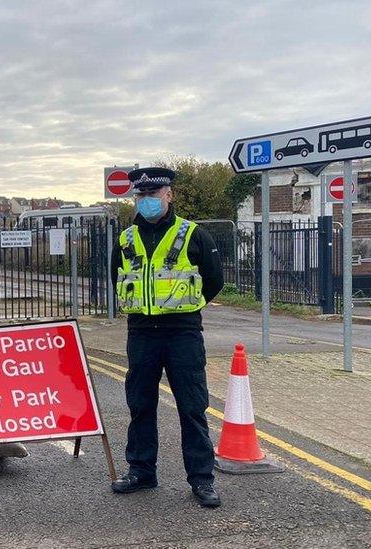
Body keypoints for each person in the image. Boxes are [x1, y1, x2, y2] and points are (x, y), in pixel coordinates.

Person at [108, 167, 225, 508]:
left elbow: (214, 279)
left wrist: (187, 310)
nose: (147, 201)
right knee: (140, 405)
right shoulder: (126, 238)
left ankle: (202, 479)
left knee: (191, 407)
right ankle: (141, 471)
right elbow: (116, 275)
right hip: (141, 332)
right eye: (141, 196)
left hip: (182, 333)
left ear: (169, 195)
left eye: (154, 195)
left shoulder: (193, 234)